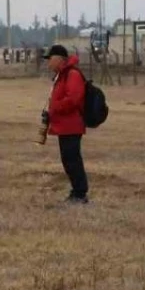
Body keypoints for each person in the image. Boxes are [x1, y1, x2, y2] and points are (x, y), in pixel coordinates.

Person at [43, 45, 89, 204]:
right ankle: (77, 191)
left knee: (72, 159)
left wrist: (55, 107)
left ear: (59, 59)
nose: (48, 62)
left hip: (72, 125)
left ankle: (80, 194)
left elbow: (73, 99)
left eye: (50, 58)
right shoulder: (61, 75)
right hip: (64, 125)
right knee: (68, 159)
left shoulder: (72, 74)